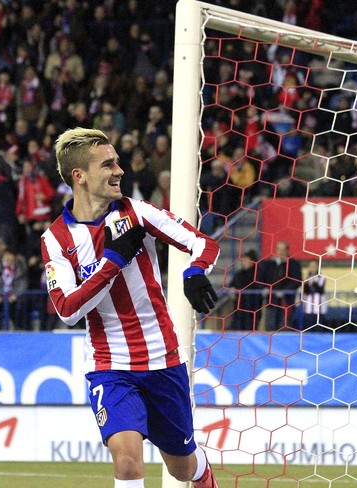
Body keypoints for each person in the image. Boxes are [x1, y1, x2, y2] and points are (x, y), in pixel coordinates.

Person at [41, 128, 221, 488]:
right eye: (108, 164)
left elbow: (202, 243)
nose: (119, 171)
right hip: (110, 366)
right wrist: (113, 261)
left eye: (118, 163)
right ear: (80, 176)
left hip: (163, 359)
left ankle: (204, 475)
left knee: (182, 469)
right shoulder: (56, 239)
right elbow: (66, 310)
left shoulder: (138, 213)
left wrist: (195, 272)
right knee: (126, 461)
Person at [259, 240, 302, 331]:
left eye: (283, 249)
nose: (281, 252)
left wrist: (285, 291)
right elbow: (260, 279)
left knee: (285, 326)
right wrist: (264, 288)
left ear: (287, 251)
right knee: (270, 326)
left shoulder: (293, 264)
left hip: (287, 302)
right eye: (279, 249)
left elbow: (297, 280)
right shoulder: (268, 264)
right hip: (271, 301)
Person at [229, 249, 262, 331]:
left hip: (252, 305)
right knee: (238, 326)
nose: (244, 262)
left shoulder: (258, 272)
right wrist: (232, 288)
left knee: (251, 326)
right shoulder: (240, 273)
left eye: (246, 259)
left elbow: (259, 285)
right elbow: (232, 283)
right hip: (239, 305)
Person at [301, 260, 327, 331]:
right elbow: (305, 291)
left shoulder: (322, 278)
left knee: (319, 329)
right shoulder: (306, 279)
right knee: (309, 328)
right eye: (311, 266)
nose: (313, 268)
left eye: (314, 266)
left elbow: (320, 290)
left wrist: (314, 283)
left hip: (319, 307)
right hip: (308, 307)